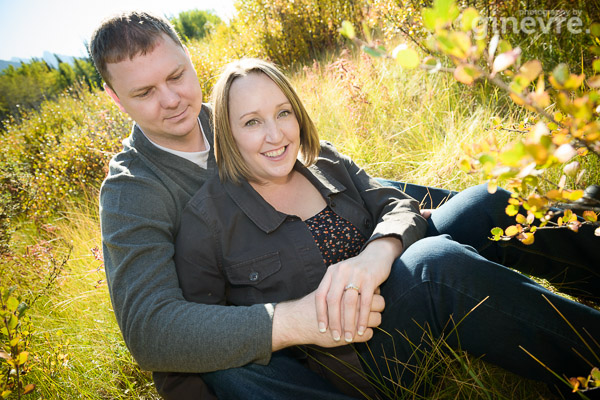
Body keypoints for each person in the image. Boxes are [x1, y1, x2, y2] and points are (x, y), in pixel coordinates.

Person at [91, 11, 599, 399]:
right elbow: (152, 329)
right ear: (116, 99)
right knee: (435, 268)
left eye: (177, 75)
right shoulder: (133, 192)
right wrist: (303, 320)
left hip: (363, 272)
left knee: (482, 204)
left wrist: (392, 237)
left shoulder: (235, 109)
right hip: (309, 337)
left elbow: (355, 185)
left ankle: (589, 229)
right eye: (144, 92)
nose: (173, 99)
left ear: (188, 57)